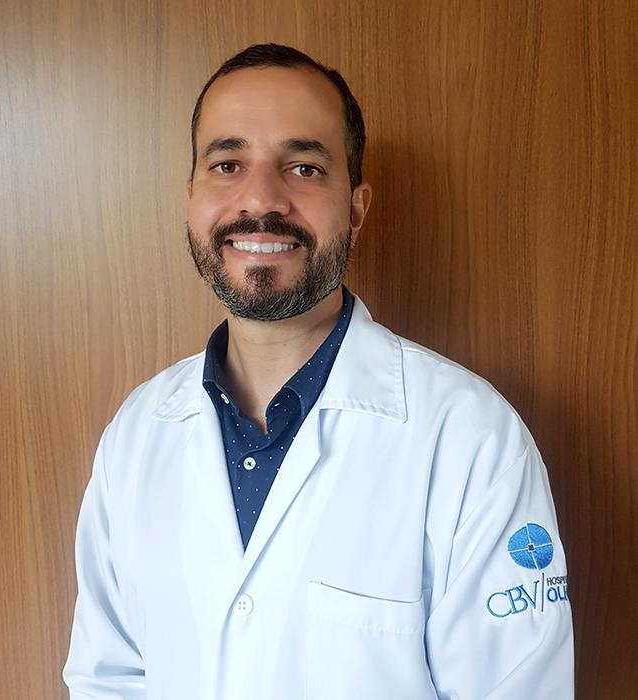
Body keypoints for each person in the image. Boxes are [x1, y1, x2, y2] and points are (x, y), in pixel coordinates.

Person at [63, 43, 573, 699]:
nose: (260, 199)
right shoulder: (136, 435)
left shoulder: (471, 439)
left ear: (355, 208)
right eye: (227, 164)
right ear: (192, 198)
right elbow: (107, 679)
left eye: (303, 167)